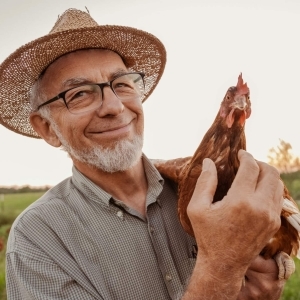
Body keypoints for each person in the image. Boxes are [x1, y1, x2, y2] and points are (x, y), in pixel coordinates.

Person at [0, 8, 285, 300]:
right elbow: (222, 273)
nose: (113, 106)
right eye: (80, 94)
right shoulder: (38, 241)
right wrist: (219, 269)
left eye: (122, 84)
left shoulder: (201, 183)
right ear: (47, 128)